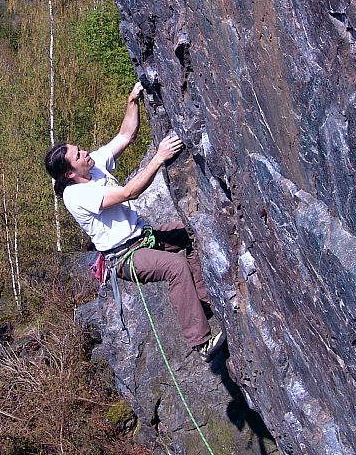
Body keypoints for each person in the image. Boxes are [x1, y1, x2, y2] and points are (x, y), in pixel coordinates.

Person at [44, 82, 225, 360]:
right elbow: (129, 192)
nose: (85, 153)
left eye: (80, 149)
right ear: (69, 173)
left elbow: (125, 135)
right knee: (175, 266)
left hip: (143, 237)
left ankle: (204, 303)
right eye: (78, 155)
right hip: (124, 256)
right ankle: (201, 343)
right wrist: (159, 157)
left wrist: (132, 101)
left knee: (191, 237)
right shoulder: (76, 195)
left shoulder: (94, 165)